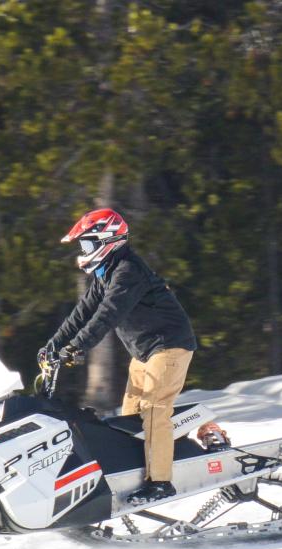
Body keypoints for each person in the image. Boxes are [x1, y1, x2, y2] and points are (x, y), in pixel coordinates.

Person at [41, 208, 197, 505]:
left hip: (168, 347)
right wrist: (53, 345)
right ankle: (132, 475)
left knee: (153, 411)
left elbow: (107, 315)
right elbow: (83, 312)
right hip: (143, 352)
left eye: (86, 245)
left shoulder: (127, 271)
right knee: (129, 420)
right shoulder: (107, 272)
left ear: (107, 241)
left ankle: (161, 482)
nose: (83, 252)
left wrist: (76, 348)